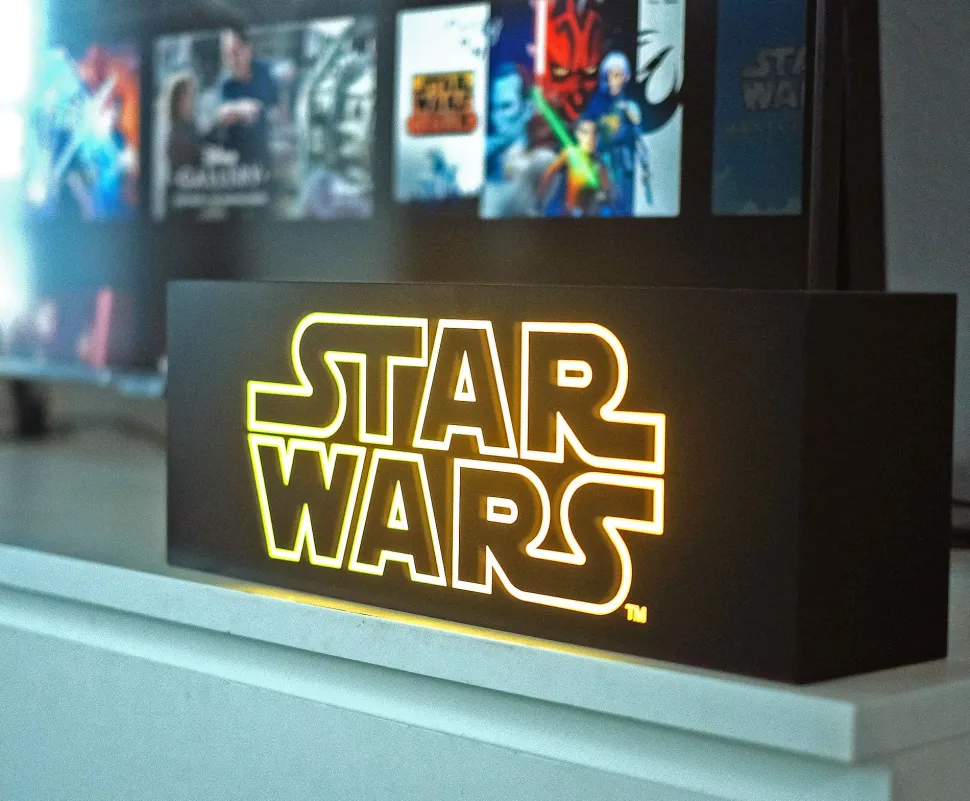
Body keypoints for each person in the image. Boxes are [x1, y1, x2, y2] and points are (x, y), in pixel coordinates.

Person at [583, 51, 642, 216]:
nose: (612, 81)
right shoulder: (597, 103)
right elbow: (587, 124)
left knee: (622, 200)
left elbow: (637, 128)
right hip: (603, 159)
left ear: (626, 77)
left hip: (622, 161)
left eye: (617, 75)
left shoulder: (629, 105)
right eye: (609, 76)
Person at [216, 27, 279, 169]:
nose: (232, 59)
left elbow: (277, 109)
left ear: (248, 49)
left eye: (235, 52)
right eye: (227, 54)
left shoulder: (265, 73)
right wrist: (241, 109)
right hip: (236, 157)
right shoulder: (225, 83)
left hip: (266, 149)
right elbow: (222, 114)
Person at [537, 117, 612, 217]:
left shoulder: (600, 163)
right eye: (585, 132)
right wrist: (540, 199)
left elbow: (607, 191)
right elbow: (549, 173)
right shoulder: (571, 153)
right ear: (578, 135)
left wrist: (602, 196)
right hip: (566, 211)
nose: (590, 138)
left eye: (594, 133)